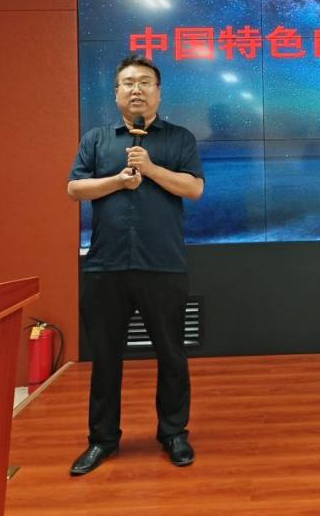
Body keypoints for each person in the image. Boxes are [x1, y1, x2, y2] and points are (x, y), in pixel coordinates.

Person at [67, 54, 205, 476]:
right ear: (116, 94)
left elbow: (194, 188)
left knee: (172, 354)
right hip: (105, 266)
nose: (137, 89)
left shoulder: (180, 139)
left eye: (145, 82)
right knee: (105, 357)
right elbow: (74, 189)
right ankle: (102, 439)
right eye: (128, 83)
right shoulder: (96, 139)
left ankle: (174, 433)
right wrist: (117, 181)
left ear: (158, 92)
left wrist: (152, 169)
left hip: (162, 263)